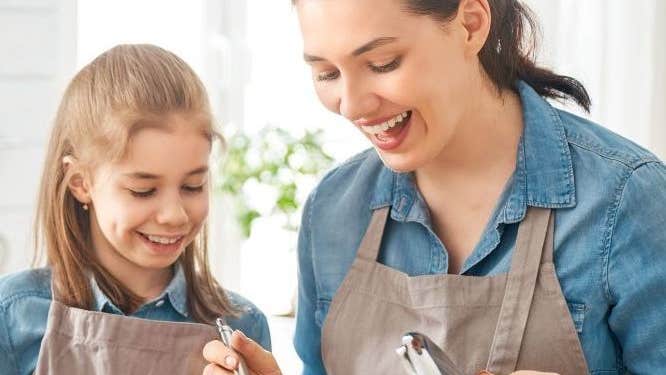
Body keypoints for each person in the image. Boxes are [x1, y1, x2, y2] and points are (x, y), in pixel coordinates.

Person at [203, 0, 666, 374]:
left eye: (382, 63)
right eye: (326, 73)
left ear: (470, 24)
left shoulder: (626, 199)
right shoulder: (333, 210)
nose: (351, 104)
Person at [0, 44, 271, 375]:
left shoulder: (242, 326)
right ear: (81, 183)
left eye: (192, 186)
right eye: (143, 191)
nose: (174, 215)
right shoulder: (12, 315)